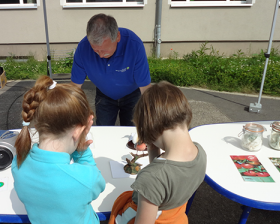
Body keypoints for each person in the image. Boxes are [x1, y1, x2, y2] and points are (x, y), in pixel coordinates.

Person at [108, 81, 207, 224]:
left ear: (149, 127)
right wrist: (153, 149)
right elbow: (168, 182)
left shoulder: (152, 178)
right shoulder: (199, 153)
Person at [11, 76, 106, 224]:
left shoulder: (18, 163)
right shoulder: (85, 178)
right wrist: (82, 153)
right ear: (78, 131)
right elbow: (98, 185)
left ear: (37, 125)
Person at [71, 13, 151, 126]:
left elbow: (145, 89)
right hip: (104, 95)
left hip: (132, 95)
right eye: (96, 50)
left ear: (117, 37)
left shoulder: (134, 45)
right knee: (103, 130)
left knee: (133, 131)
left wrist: (153, 116)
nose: (100, 55)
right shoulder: (83, 48)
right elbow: (75, 88)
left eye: (105, 50)